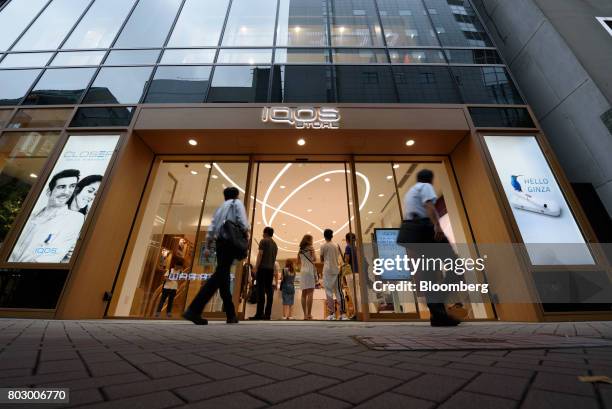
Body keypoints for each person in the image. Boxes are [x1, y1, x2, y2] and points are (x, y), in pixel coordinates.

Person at [399, 168, 460, 327]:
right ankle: (437, 301)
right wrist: (438, 226)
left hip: (415, 233)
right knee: (456, 267)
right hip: (427, 230)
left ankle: (438, 315)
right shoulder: (425, 187)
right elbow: (429, 206)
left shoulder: (409, 193)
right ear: (430, 179)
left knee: (429, 273)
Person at [183, 187, 249, 325]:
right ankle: (194, 309)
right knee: (220, 274)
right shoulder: (236, 204)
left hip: (220, 243)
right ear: (236, 195)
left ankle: (231, 315)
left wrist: (207, 246)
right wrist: (245, 236)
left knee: (223, 277)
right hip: (231, 242)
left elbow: (212, 227)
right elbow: (243, 223)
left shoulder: (221, 208)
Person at [9, 169, 84, 263]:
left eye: (72, 186)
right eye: (62, 187)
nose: (67, 192)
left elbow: (52, 256)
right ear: (49, 191)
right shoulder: (30, 216)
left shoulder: (74, 218)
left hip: (30, 273)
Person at [249, 227, 278, 320]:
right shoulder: (275, 245)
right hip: (270, 270)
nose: (262, 234)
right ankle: (267, 315)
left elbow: (260, 254)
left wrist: (256, 267)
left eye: (263, 232)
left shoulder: (263, 241)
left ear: (266, 233)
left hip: (263, 269)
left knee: (260, 291)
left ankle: (259, 314)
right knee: (269, 292)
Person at [320, 229, 348, 321]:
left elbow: (321, 259)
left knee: (328, 292)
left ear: (324, 236)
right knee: (339, 292)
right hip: (337, 270)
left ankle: (332, 314)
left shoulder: (323, 246)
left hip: (327, 271)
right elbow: (341, 258)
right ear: (332, 236)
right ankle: (343, 314)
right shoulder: (337, 245)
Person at [297, 234, 316, 320]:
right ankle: (309, 314)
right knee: (310, 293)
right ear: (310, 240)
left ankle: (304, 315)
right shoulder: (311, 248)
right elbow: (314, 259)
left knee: (303, 294)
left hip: (303, 271)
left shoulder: (300, 250)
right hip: (309, 271)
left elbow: (298, 262)